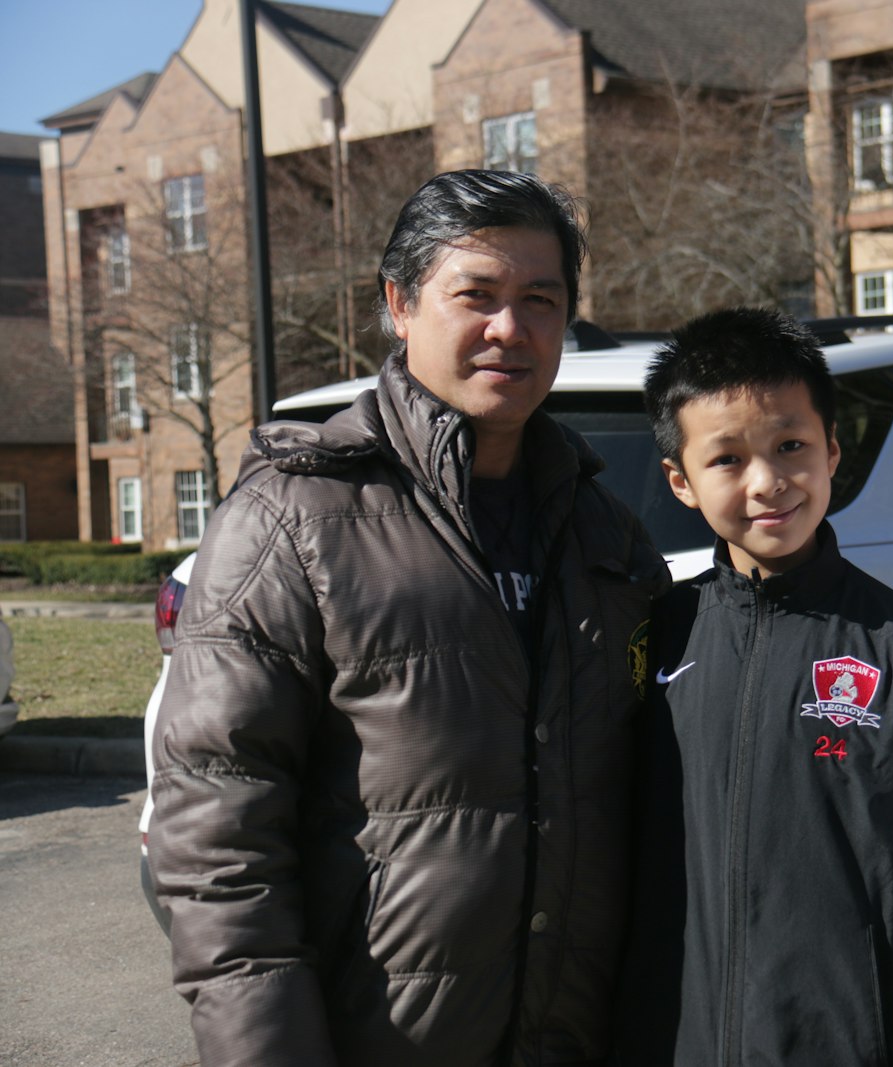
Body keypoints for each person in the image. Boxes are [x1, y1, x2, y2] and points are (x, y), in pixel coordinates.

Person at [147, 170, 669, 1067]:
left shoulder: (608, 535)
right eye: (478, 296)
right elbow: (216, 839)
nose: (511, 328)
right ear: (399, 302)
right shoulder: (292, 519)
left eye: (540, 300)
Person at [615, 307, 893, 1066]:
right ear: (679, 481)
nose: (768, 482)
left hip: (851, 1039)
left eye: (791, 446)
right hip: (679, 1037)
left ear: (833, 452)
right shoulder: (658, 633)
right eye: (727, 459)